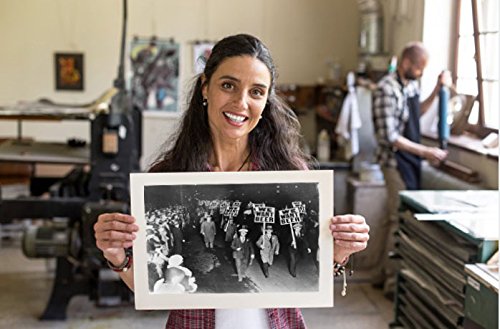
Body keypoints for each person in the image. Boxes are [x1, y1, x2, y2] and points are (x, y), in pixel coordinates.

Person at [94, 33, 370, 329]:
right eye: (228, 85)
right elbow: (153, 284)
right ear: (205, 88)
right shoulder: (169, 177)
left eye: (256, 92)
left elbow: (306, 276)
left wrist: (339, 250)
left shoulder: (290, 175)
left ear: (266, 101)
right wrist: (117, 254)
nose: (241, 102)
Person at [372, 41, 449, 295]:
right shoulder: (386, 89)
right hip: (393, 162)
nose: (420, 74)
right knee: (399, 219)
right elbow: (390, 136)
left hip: (408, 160)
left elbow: (418, 113)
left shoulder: (410, 85)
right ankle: (392, 284)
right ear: (406, 63)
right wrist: (426, 152)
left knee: (390, 217)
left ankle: (380, 273)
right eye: (419, 68)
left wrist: (438, 89)